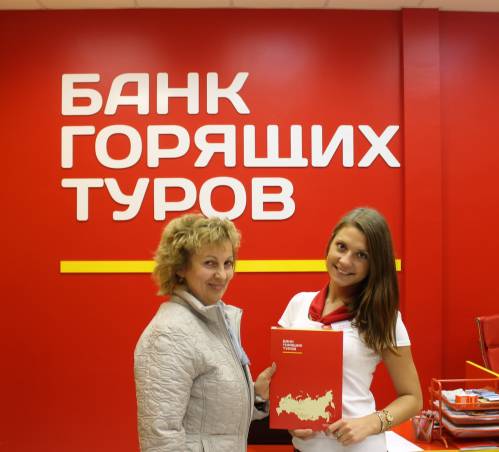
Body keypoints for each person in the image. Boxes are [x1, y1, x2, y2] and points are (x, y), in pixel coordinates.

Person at [278, 207, 422, 452]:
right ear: (330, 244)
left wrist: (371, 423)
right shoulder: (299, 304)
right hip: (303, 448)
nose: (345, 261)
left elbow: (413, 398)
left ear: (374, 263)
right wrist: (290, 419)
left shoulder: (383, 317)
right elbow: (286, 382)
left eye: (361, 255)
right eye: (341, 247)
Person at [134, 213, 275, 452]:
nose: (222, 275)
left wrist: (256, 395)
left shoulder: (212, 322)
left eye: (227, 263)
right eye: (210, 263)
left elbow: (212, 420)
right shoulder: (169, 335)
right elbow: (161, 440)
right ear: (180, 267)